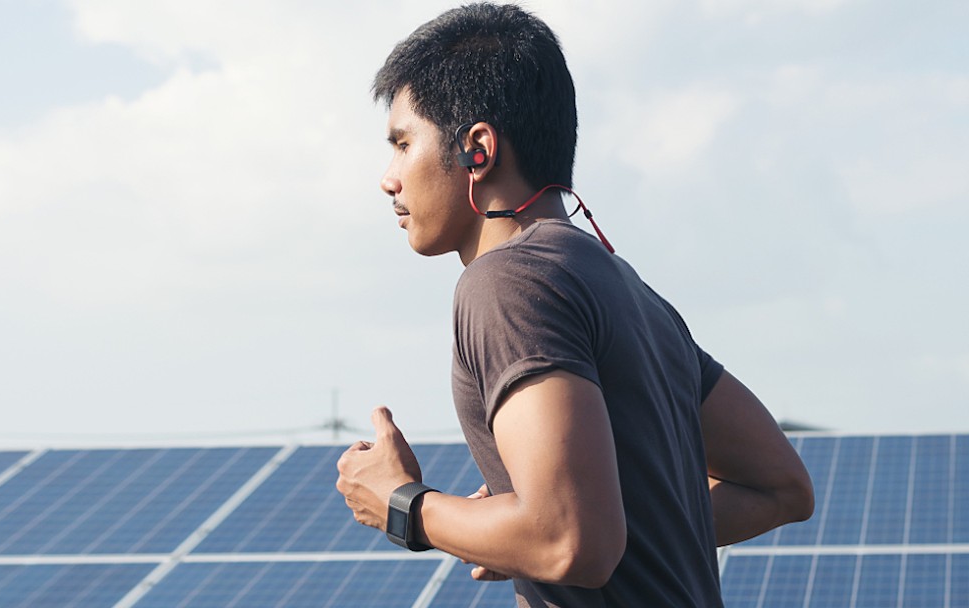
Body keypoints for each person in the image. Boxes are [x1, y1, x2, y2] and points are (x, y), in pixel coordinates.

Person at [334, 4, 814, 606]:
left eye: (403, 143)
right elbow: (782, 487)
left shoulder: (506, 282)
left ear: (476, 150)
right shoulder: (627, 288)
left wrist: (404, 504)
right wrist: (512, 536)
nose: (388, 177)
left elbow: (569, 541)